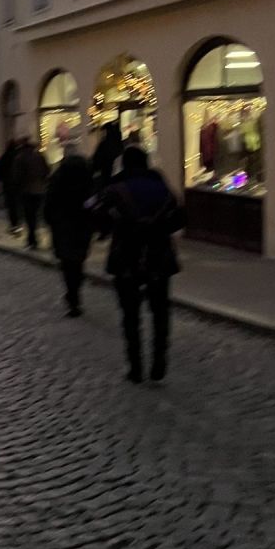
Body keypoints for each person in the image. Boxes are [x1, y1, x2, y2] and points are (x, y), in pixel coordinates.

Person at [93, 145, 186, 383]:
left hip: (126, 256)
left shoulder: (115, 189)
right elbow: (179, 219)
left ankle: (135, 367)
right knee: (160, 312)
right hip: (159, 255)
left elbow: (99, 219)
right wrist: (159, 228)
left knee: (130, 314)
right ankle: (159, 361)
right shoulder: (162, 187)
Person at [43, 146, 95, 316]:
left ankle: (72, 296)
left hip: (63, 225)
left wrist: (50, 220)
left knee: (67, 263)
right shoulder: (87, 178)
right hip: (82, 225)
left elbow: (49, 201)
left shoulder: (58, 177)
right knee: (78, 260)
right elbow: (93, 200)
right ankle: (75, 291)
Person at [12, 137, 50, 250]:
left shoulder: (20, 158)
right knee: (38, 215)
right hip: (40, 190)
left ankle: (32, 240)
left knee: (29, 217)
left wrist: (16, 188)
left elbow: (16, 176)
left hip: (26, 191)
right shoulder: (39, 156)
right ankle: (35, 239)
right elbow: (47, 170)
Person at [0, 138, 23, 234]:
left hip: (8, 185)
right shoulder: (19, 156)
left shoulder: (5, 157)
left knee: (11, 206)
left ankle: (14, 224)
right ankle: (19, 223)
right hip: (19, 185)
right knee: (19, 204)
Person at [91, 121, 124, 189]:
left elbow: (97, 161)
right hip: (120, 178)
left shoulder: (104, 145)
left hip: (107, 175)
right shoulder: (120, 144)